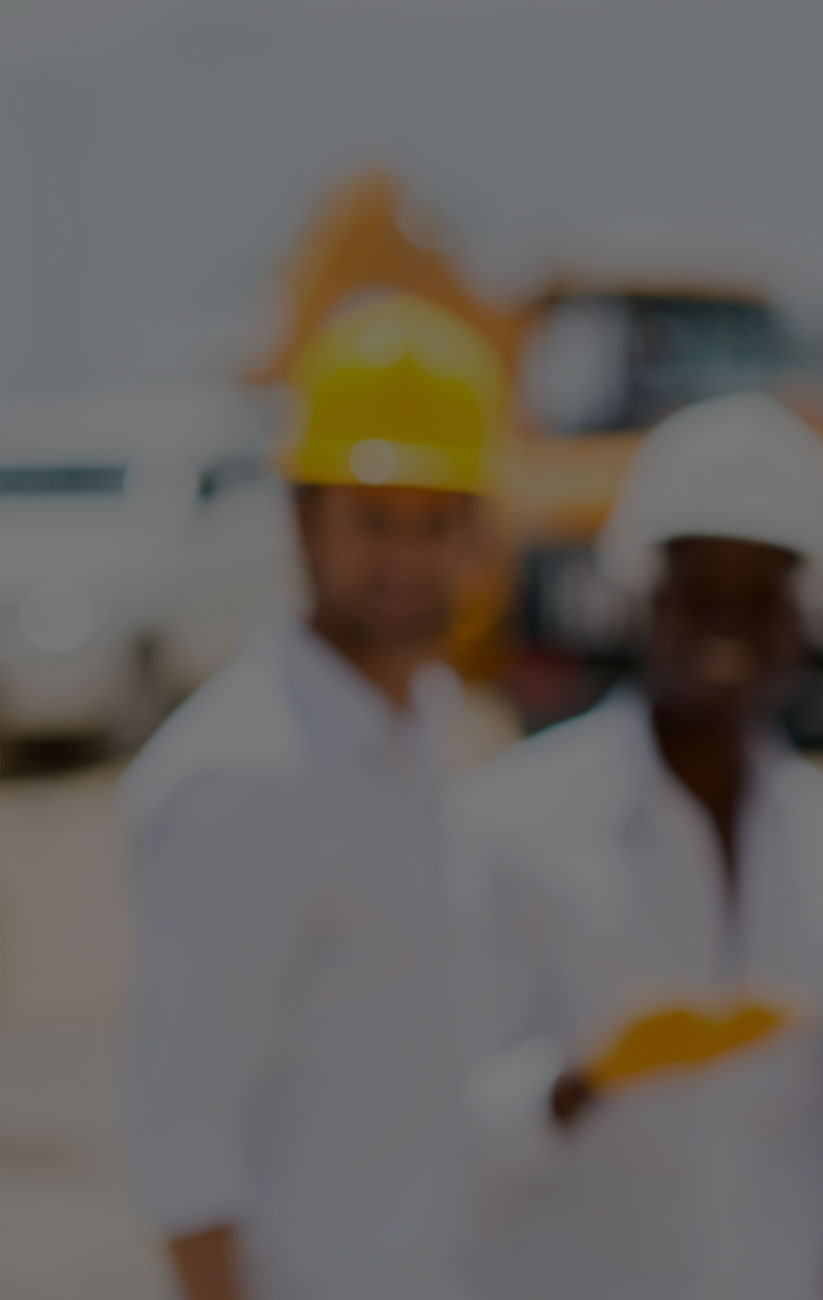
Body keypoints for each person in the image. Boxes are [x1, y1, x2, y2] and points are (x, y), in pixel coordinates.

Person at [453, 392, 823, 1300]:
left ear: (802, 616)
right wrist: (581, 1077)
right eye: (701, 591)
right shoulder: (512, 821)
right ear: (644, 598)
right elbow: (436, 1133)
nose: (728, 623)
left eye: (760, 593)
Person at [120, 293, 501, 1300]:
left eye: (434, 521)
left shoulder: (421, 732)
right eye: (374, 519)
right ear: (303, 517)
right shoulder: (244, 772)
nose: (406, 557)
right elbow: (182, 1139)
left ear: (472, 533)